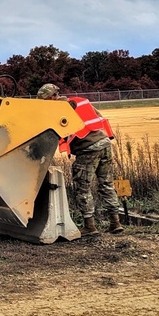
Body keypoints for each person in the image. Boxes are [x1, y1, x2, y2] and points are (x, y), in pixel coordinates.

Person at [37, 83, 123, 236]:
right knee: (106, 184)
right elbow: (100, 118)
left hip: (88, 149)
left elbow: (50, 134)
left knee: (83, 188)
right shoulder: (80, 101)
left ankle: (90, 226)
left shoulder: (58, 110)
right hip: (105, 144)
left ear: (49, 98)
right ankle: (115, 223)